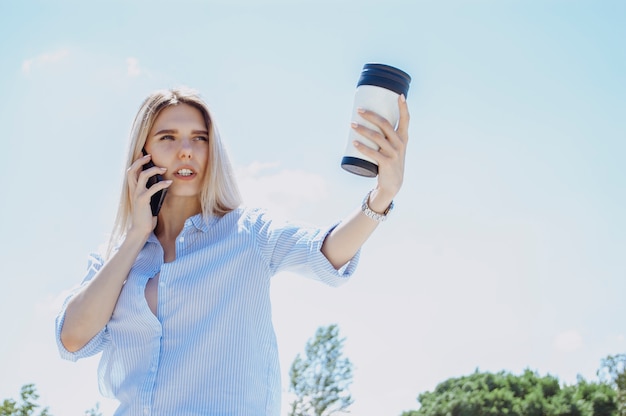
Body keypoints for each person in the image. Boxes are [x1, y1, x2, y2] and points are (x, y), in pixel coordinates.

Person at [55, 86, 409, 415]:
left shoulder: (249, 232)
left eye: (199, 138)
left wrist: (382, 196)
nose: (186, 150)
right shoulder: (115, 256)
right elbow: (73, 338)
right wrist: (135, 236)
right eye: (167, 138)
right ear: (142, 153)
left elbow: (327, 250)